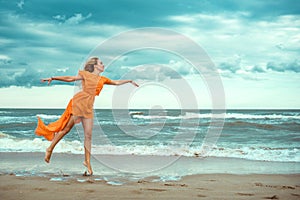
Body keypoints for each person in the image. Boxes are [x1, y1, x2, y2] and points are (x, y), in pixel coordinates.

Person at [35, 56, 139, 176]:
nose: (103, 65)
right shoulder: (85, 74)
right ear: (95, 66)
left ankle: (87, 162)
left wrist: (129, 81)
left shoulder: (103, 79)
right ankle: (50, 149)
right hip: (80, 102)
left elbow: (116, 82)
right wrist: (53, 78)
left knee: (88, 135)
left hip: (89, 107)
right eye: (101, 63)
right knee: (66, 129)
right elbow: (70, 78)